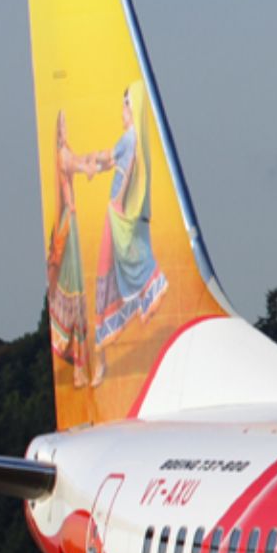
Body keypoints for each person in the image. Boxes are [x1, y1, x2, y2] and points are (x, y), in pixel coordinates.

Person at [86, 82, 168, 374]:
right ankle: (107, 347)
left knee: (105, 269)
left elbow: (115, 159)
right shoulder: (134, 141)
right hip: (121, 209)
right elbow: (112, 161)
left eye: (124, 104)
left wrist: (115, 200)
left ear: (132, 108)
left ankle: (103, 354)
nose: (121, 111)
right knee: (116, 266)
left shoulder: (128, 139)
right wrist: (91, 164)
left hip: (116, 210)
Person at [44, 110, 92, 386]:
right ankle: (79, 367)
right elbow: (79, 164)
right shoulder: (64, 154)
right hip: (69, 227)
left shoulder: (66, 152)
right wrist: (93, 166)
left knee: (77, 294)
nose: (66, 127)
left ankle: (79, 365)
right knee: (77, 295)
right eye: (62, 123)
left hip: (70, 225)